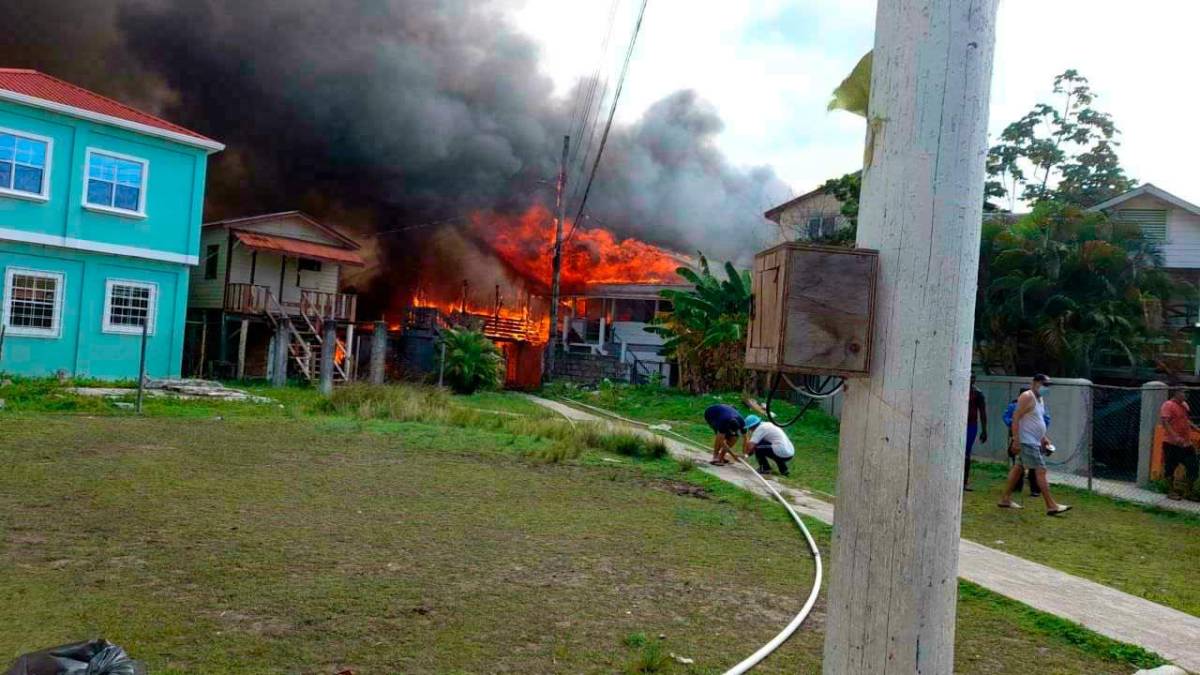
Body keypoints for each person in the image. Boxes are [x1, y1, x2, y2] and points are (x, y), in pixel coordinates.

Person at [998, 374, 1072, 515]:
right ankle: (1051, 505)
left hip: (1033, 440)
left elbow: (1035, 420)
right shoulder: (1027, 396)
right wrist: (1016, 439)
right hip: (1027, 441)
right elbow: (1016, 417)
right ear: (1035, 383)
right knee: (1041, 470)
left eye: (1048, 385)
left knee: (1018, 468)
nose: (1046, 388)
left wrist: (1043, 438)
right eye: (1044, 384)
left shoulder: (1040, 399)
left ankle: (1005, 499)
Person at [1159, 388, 1200, 501]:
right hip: (1172, 443)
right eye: (1183, 392)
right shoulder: (1168, 405)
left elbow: (1185, 419)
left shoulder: (1184, 405)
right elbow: (1165, 422)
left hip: (1186, 443)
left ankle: (1189, 492)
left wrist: (1195, 427)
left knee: (1193, 467)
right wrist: (1175, 436)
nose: (1186, 394)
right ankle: (1170, 491)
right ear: (1176, 393)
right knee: (1170, 468)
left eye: (1187, 392)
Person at [1002, 387, 1043, 496]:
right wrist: (1015, 424)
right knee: (1020, 464)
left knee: (1032, 465)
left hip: (1033, 438)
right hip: (1020, 438)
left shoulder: (1037, 405)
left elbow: (1045, 419)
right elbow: (1006, 417)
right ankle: (1016, 487)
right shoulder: (1014, 406)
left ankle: (1035, 489)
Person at [964, 374, 988, 491]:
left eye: (973, 378)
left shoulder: (978, 393)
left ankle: (964, 481)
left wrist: (984, 430)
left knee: (966, 453)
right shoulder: (959, 391)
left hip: (971, 425)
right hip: (959, 424)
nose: (972, 380)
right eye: (970, 377)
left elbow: (982, 412)